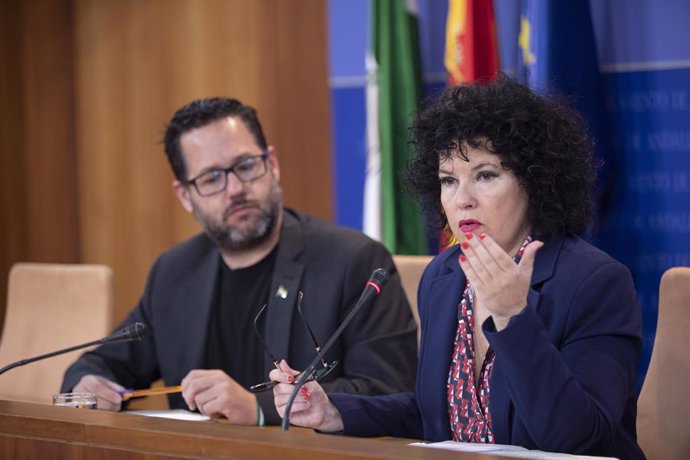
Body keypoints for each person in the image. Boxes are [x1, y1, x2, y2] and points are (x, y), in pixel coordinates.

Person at [271, 76, 645, 459]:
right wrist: (334, 409)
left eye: (485, 176)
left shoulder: (594, 282)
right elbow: (439, 416)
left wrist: (513, 318)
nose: (461, 199)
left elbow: (581, 439)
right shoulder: (445, 276)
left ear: (535, 181)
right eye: (448, 181)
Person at [61, 97, 418, 425]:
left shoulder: (353, 261)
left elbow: (390, 392)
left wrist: (258, 409)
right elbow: (103, 364)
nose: (235, 189)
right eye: (212, 178)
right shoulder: (174, 272)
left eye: (246, 166)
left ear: (272, 164)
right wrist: (89, 383)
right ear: (185, 195)